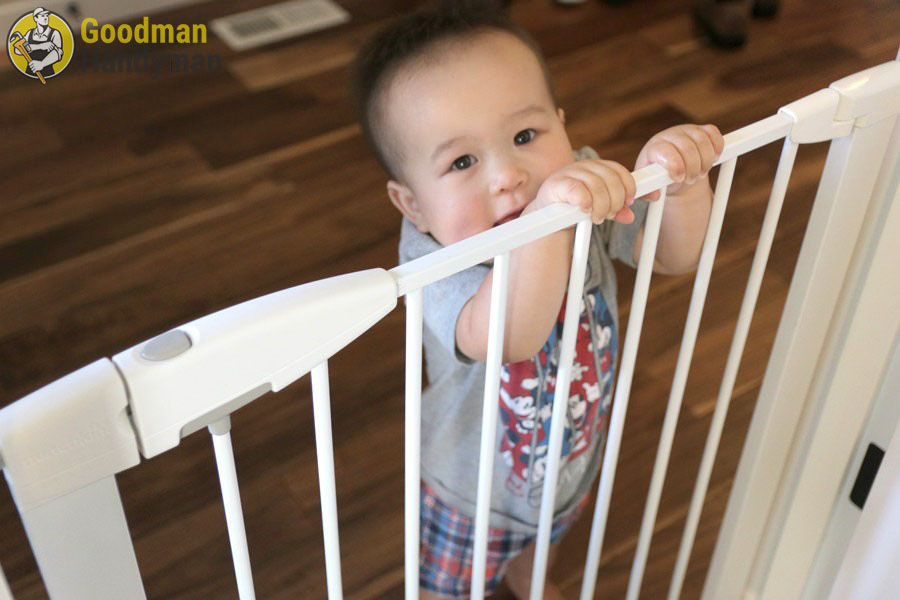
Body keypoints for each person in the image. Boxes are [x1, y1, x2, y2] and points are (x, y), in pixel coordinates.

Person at [352, 2, 723, 597]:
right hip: (470, 494)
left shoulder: (574, 186)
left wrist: (678, 184)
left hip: (567, 459)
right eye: (463, 161)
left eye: (526, 135)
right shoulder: (432, 262)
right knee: (445, 589)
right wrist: (552, 217)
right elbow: (510, 337)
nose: (508, 175)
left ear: (562, 123)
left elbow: (671, 257)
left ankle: (529, 572)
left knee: (546, 537)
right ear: (413, 204)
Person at [12, 7, 64, 78]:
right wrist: (40, 46)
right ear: (35, 18)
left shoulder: (54, 33)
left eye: (46, 16)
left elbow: (59, 52)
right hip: (29, 74)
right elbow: (17, 50)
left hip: (48, 74)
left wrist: (41, 64)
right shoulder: (30, 33)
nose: (46, 18)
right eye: (42, 16)